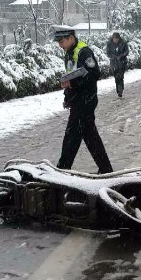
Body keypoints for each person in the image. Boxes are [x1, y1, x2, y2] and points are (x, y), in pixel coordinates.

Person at [52, 26, 113, 174]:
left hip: (86, 101)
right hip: (78, 101)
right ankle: (106, 169)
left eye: (62, 41)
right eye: (58, 42)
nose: (60, 45)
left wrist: (73, 84)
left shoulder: (84, 52)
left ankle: (63, 169)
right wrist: (68, 97)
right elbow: (70, 76)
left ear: (71, 38)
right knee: (90, 137)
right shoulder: (68, 53)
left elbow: (94, 74)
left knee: (72, 137)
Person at [105, 31, 129, 98]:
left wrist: (121, 56)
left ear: (119, 38)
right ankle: (118, 90)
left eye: (116, 38)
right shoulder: (109, 44)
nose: (115, 40)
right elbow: (108, 52)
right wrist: (113, 57)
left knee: (120, 77)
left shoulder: (123, 43)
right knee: (116, 77)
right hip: (114, 63)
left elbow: (127, 52)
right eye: (114, 38)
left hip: (122, 62)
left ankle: (120, 91)